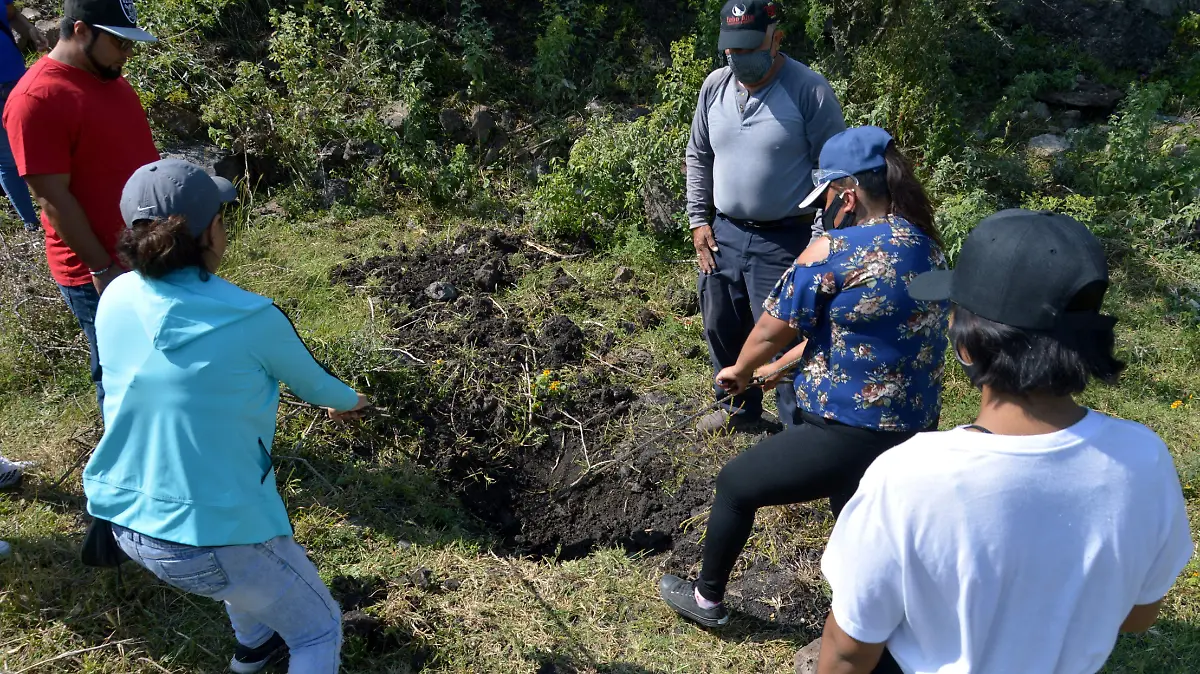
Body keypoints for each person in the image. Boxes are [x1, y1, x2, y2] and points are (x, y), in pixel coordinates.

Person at [814, 209, 1195, 674]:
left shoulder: (909, 476)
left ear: (967, 343)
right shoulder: (1144, 458)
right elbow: (1139, 616)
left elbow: (850, 650)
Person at [82, 159, 370, 674]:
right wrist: (351, 401)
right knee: (317, 628)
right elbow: (315, 385)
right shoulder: (252, 315)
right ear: (210, 231)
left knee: (248, 576)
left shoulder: (115, 295)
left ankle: (253, 649)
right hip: (210, 538)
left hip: (125, 521)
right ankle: (280, 644)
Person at [660, 125, 949, 628]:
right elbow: (868, 330)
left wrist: (743, 368)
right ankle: (879, 615)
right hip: (913, 429)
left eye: (829, 197)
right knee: (858, 519)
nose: (826, 209)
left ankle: (707, 602)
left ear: (848, 193)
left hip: (846, 428)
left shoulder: (833, 251)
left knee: (734, 484)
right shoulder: (930, 248)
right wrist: (778, 369)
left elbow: (772, 327)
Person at [688, 0, 846, 433]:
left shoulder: (809, 91)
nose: (739, 60)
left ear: (776, 38)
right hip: (724, 232)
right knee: (721, 322)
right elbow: (699, 155)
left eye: (749, 49)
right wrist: (698, 221)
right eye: (732, 51)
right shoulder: (714, 87)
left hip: (787, 238)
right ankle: (739, 409)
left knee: (782, 337)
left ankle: (799, 431)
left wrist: (821, 239)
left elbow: (834, 174)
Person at [4, 0, 159, 412]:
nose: (128, 53)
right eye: (119, 42)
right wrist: (102, 267)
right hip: (101, 268)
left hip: (148, 251)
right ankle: (125, 468)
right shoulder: (36, 98)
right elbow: (52, 198)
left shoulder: (110, 77)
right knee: (122, 372)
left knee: (159, 361)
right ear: (80, 30)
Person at [0, 0, 47, 231]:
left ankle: (57, 210)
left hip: (18, 81)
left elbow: (12, 14)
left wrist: (30, 30)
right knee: (7, 160)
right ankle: (32, 224)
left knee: (40, 143)